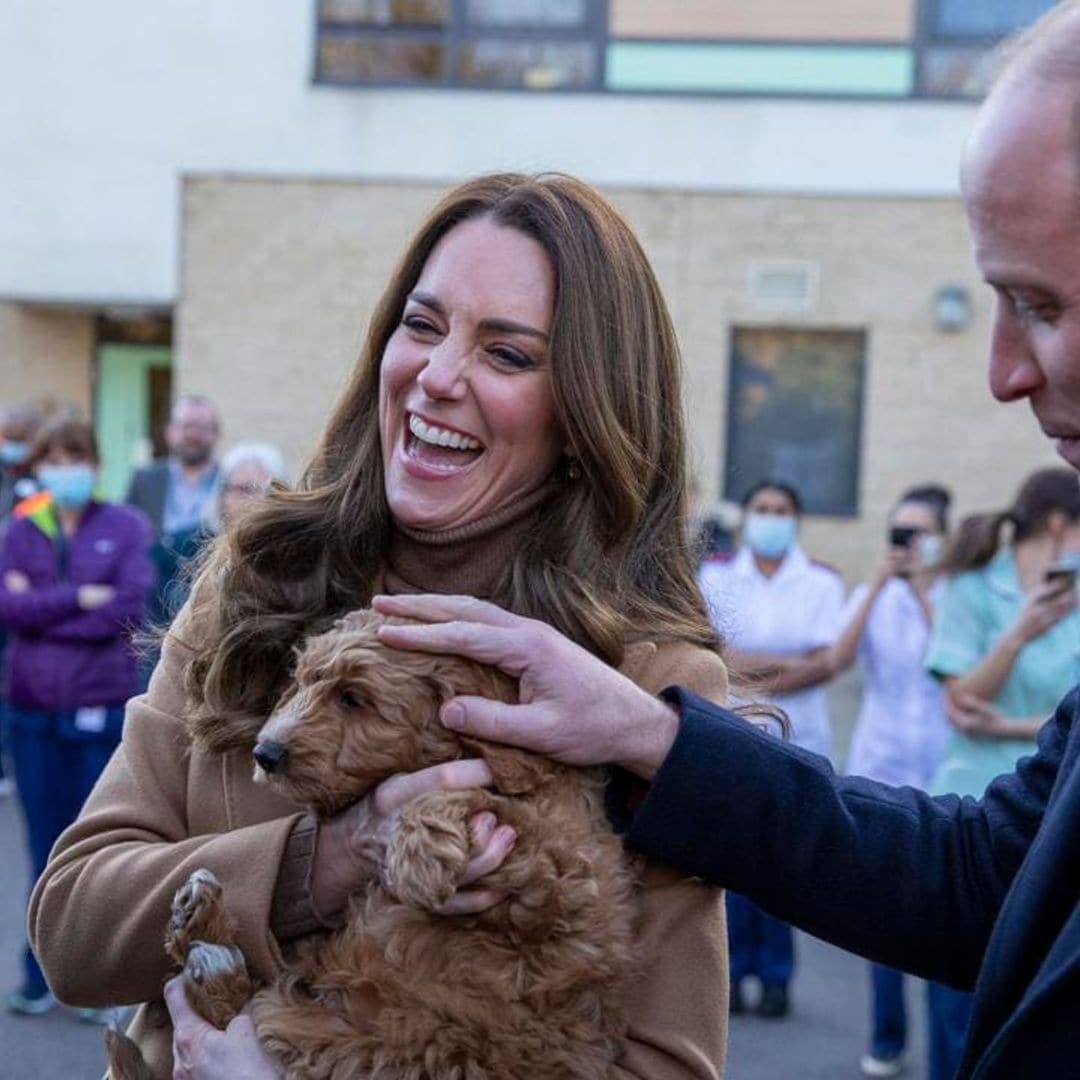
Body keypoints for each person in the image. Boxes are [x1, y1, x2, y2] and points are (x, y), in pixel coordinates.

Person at [365, 6, 1080, 1075]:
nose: (1002, 370)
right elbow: (989, 882)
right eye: (420, 325)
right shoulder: (265, 583)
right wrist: (649, 735)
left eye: (1040, 305)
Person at [30, 174, 730, 1078]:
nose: (437, 378)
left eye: (508, 355)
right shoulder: (258, 582)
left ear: (589, 415)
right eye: (423, 325)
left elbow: (664, 1064)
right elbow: (72, 928)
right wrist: (319, 865)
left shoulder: (645, 677)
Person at [921, 467, 1080, 1080]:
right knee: (957, 1004)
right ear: (1060, 523)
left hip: (1053, 817)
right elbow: (962, 695)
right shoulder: (971, 586)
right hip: (971, 798)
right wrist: (1020, 632)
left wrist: (1014, 726)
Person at [0, 415, 152, 1017]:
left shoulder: (124, 525)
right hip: (33, 713)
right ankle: (39, 974)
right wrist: (73, 598)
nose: (67, 467)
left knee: (94, 851)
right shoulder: (22, 528)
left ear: (94, 462)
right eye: (55, 457)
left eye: (77, 455)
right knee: (43, 847)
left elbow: (125, 609)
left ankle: (98, 982)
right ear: (40, 468)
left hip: (98, 711)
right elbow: (8, 609)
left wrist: (43, 609)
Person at [698, 479, 844, 1018]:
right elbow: (710, 650)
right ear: (748, 516)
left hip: (799, 738)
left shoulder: (821, 581)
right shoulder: (714, 575)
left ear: (796, 520)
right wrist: (787, 662)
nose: (771, 517)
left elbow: (828, 660)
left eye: (782, 510)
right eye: (762, 508)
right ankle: (733, 977)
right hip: (733, 729)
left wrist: (749, 665)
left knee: (783, 862)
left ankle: (778, 977)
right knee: (733, 862)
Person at [828, 484, 953, 1078]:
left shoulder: (957, 596)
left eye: (919, 534)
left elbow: (955, 661)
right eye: (898, 533)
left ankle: (948, 1047)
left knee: (946, 911)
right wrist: (879, 583)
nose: (907, 545)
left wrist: (925, 591)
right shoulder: (868, 593)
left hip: (942, 766)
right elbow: (839, 657)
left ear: (941, 539)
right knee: (883, 907)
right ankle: (886, 1037)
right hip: (880, 762)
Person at [125, 394, 221, 628]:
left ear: (215, 434)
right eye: (186, 426)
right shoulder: (145, 479)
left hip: (211, 592)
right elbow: (128, 533)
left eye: (201, 427)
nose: (192, 434)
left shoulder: (228, 480)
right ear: (170, 431)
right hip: (152, 598)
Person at [201, 441, 287, 534]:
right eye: (242, 490)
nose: (252, 500)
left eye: (263, 490)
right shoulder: (192, 543)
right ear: (222, 494)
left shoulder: (294, 545)